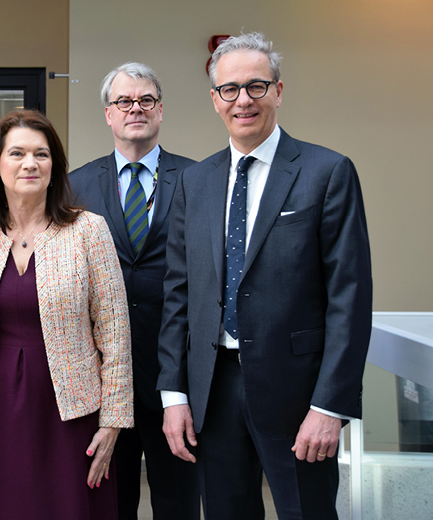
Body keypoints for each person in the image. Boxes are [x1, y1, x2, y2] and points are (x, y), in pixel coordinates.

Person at [157, 32, 373, 520]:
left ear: (278, 90)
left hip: (298, 394)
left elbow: (350, 298)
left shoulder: (327, 172)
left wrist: (330, 406)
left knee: (307, 511)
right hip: (212, 390)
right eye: (229, 90)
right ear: (215, 100)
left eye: (256, 86)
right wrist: (173, 394)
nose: (243, 100)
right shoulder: (195, 182)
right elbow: (179, 294)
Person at [0, 109, 133, 520]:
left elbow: (115, 332)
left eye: (41, 154)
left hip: (71, 411)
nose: (30, 163)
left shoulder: (88, 230)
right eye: (17, 153)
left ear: (55, 167)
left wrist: (114, 421)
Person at [69, 62, 200, 520]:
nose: (135, 109)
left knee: (177, 498)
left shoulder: (198, 179)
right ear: (108, 114)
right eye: (124, 101)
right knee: (109, 498)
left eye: (146, 100)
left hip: (175, 372)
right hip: (105, 374)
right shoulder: (76, 186)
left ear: (160, 110)